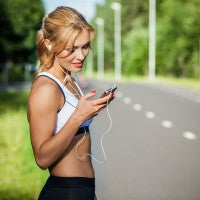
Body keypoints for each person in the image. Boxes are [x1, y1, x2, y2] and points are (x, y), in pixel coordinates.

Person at [27, 6, 115, 200]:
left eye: (84, 47)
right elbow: (41, 158)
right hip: (65, 192)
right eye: (71, 49)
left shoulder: (69, 78)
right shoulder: (45, 89)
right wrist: (78, 117)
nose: (81, 56)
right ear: (49, 44)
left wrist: (90, 111)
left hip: (83, 189)